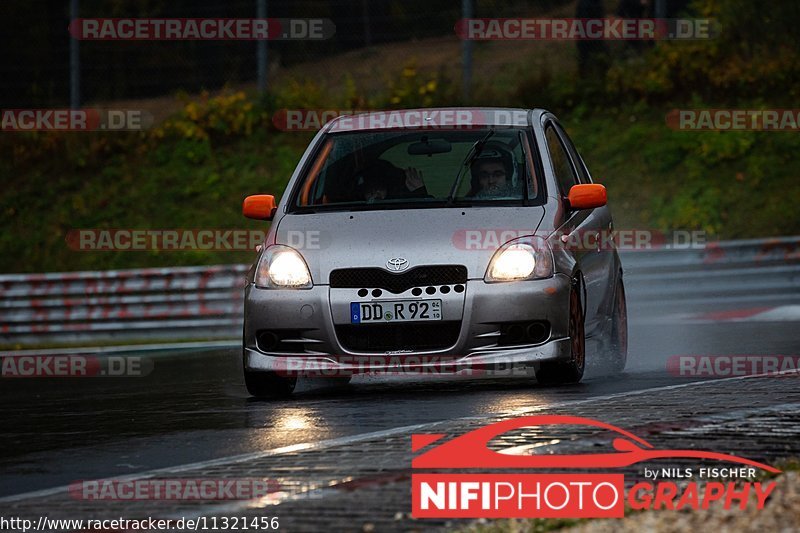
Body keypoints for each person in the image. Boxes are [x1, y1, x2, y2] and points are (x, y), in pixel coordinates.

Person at [360, 159, 428, 202]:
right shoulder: (353, 205)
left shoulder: (403, 202)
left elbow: (425, 213)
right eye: (371, 190)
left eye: (380, 188)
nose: (376, 193)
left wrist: (419, 192)